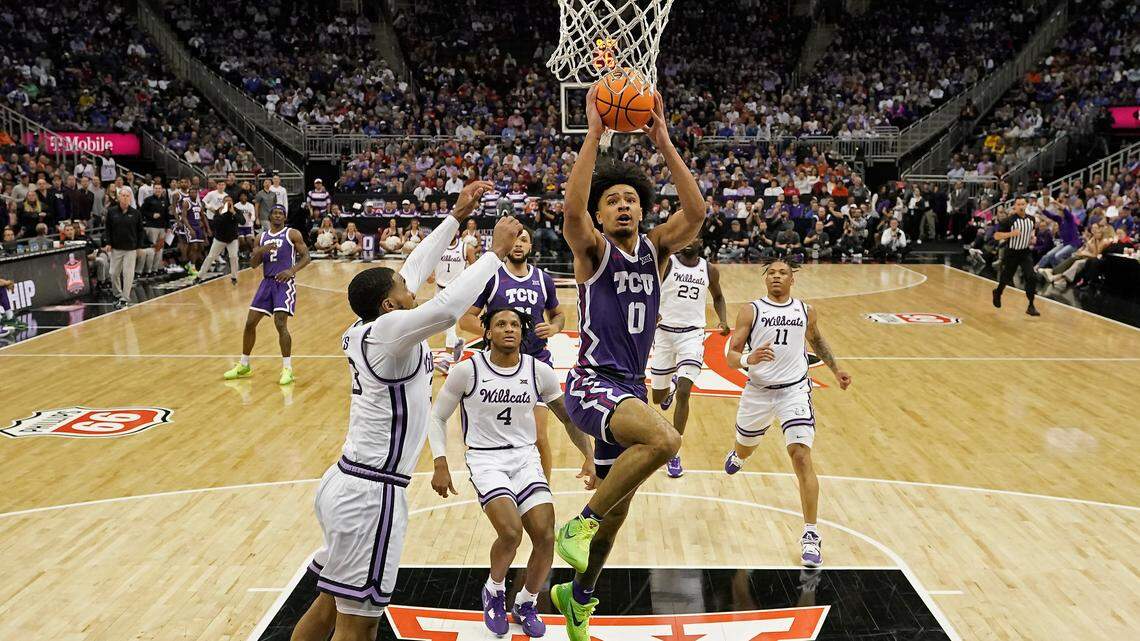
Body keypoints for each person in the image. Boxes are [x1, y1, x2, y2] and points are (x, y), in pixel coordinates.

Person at [286, 181, 517, 641]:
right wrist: (495, 253)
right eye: (404, 292)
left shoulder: (367, 324)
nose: (414, 290)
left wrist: (454, 215)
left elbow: (411, 269)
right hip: (371, 496)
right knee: (359, 628)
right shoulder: (391, 332)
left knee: (329, 603)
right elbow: (449, 309)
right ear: (389, 306)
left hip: (347, 482)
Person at [550, 86, 705, 641]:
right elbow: (570, 210)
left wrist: (663, 142)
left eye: (629, 199)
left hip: (629, 387)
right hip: (593, 382)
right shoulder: (593, 250)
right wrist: (595, 133)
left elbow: (698, 211)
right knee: (666, 442)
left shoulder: (658, 249)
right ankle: (578, 521)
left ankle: (579, 595)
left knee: (616, 518)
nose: (622, 204)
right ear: (600, 213)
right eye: (611, 199)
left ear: (641, 207)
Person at [428, 307, 594, 638]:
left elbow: (567, 417)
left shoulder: (538, 372)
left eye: (515, 325)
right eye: (501, 324)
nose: (509, 329)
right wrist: (440, 461)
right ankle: (493, 590)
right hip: (486, 460)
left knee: (546, 536)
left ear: (523, 333)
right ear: (487, 332)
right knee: (511, 533)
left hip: (524, 459)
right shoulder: (467, 371)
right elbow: (437, 417)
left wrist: (589, 455)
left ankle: (526, 602)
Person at [723, 259, 852, 567]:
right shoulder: (751, 311)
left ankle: (810, 534)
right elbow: (730, 356)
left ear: (793, 279)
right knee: (745, 446)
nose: (776, 277)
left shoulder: (805, 311)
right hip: (758, 392)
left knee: (800, 455)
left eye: (783, 272)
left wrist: (836, 369)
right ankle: (740, 455)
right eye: (771, 272)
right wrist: (746, 359)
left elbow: (817, 340)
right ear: (765, 279)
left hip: (794, 390)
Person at [459, 227, 567, 475]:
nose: (518, 244)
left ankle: (543, 495)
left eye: (524, 240)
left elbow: (559, 314)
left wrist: (553, 327)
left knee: (539, 437)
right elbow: (465, 320)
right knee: (504, 437)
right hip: (499, 367)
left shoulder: (543, 279)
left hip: (536, 363)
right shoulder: (492, 278)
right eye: (514, 239)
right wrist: (493, 333)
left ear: (531, 247)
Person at [648, 236, 728, 478]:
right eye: (684, 238)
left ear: (701, 241)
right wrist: (653, 312)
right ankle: (668, 389)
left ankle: (674, 451)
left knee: (685, 391)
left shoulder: (709, 269)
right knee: (657, 397)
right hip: (664, 334)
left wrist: (723, 319)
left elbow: (719, 297)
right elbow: (650, 290)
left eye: (693, 238)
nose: (687, 242)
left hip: (692, 335)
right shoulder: (669, 263)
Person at [222, 205, 311, 385]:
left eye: (281, 213)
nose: (278, 215)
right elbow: (254, 264)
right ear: (269, 217)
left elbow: (307, 256)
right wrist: (261, 250)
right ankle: (244, 364)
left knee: (280, 323)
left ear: (284, 218)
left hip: (284, 283)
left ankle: (287, 369)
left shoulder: (292, 234)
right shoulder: (261, 237)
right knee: (249, 323)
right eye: (275, 213)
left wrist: (292, 271)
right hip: (266, 283)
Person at [431, 226, 478, 356]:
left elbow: (475, 270)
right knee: (439, 322)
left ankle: (447, 358)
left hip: (456, 290)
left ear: (456, 232)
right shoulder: (437, 247)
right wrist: (430, 274)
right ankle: (458, 342)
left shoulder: (466, 248)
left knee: (449, 322)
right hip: (439, 288)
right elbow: (429, 264)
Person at [992, 197, 1039, 316]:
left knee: (1031, 276)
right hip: (1012, 253)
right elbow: (996, 236)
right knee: (1006, 278)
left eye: (1023, 204)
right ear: (1015, 206)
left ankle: (1031, 305)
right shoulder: (1009, 220)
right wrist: (1011, 234)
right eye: (1019, 204)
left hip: (1025, 253)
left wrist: (1033, 237)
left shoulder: (1031, 219)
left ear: (1026, 205)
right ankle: (998, 292)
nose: (1021, 206)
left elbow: (1032, 231)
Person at [104, 187, 147, 308]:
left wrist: (139, 246)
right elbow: (108, 229)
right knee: (113, 273)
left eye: (128, 196)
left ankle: (125, 297)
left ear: (130, 198)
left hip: (131, 248)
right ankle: (117, 294)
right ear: (118, 198)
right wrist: (108, 243)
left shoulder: (136, 213)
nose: (125, 198)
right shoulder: (112, 212)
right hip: (116, 248)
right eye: (123, 196)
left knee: (128, 274)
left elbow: (140, 231)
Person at [196, 196, 242, 285]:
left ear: (232, 202)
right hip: (220, 239)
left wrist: (233, 213)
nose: (228, 203)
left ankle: (234, 277)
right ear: (223, 203)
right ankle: (199, 276)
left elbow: (242, 221)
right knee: (211, 257)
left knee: (234, 257)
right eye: (226, 201)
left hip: (232, 239)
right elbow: (215, 224)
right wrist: (221, 214)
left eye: (230, 201)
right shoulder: (219, 211)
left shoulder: (236, 210)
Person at [138, 181, 169, 279]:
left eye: (159, 188)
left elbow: (167, 215)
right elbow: (141, 212)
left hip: (161, 228)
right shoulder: (148, 200)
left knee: (159, 249)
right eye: (156, 188)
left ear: (162, 189)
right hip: (151, 227)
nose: (158, 190)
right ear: (153, 189)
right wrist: (151, 215)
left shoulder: (165, 200)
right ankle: (148, 270)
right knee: (152, 248)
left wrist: (168, 227)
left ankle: (156, 269)